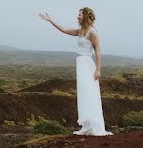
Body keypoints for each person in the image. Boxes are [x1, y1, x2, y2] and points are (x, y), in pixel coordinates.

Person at [38, 7, 113, 136]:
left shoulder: (92, 32)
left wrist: (98, 69)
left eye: (79, 15)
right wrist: (50, 20)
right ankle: (87, 125)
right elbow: (63, 30)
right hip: (80, 64)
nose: (77, 17)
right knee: (83, 93)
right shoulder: (81, 31)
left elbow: (98, 51)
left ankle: (95, 126)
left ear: (86, 16)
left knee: (90, 93)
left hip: (87, 64)